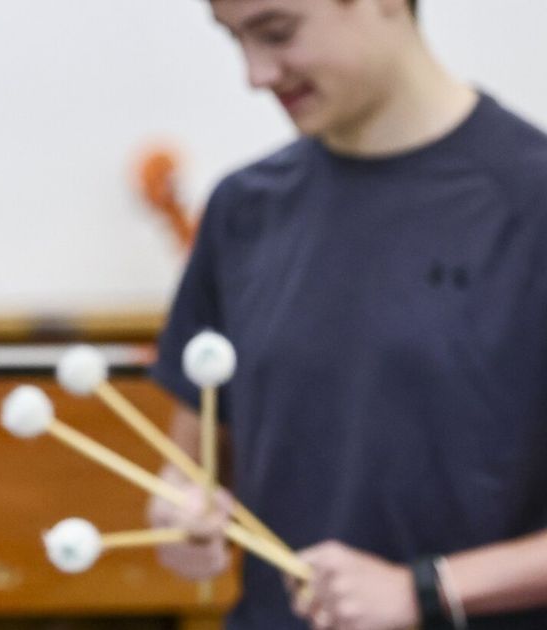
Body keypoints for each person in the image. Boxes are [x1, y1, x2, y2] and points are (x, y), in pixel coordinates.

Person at [147, 0, 547, 628]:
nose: (256, 74)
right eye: (235, 40)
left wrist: (426, 589)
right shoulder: (243, 211)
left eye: (277, 33)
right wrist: (181, 523)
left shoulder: (532, 201)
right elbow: (189, 468)